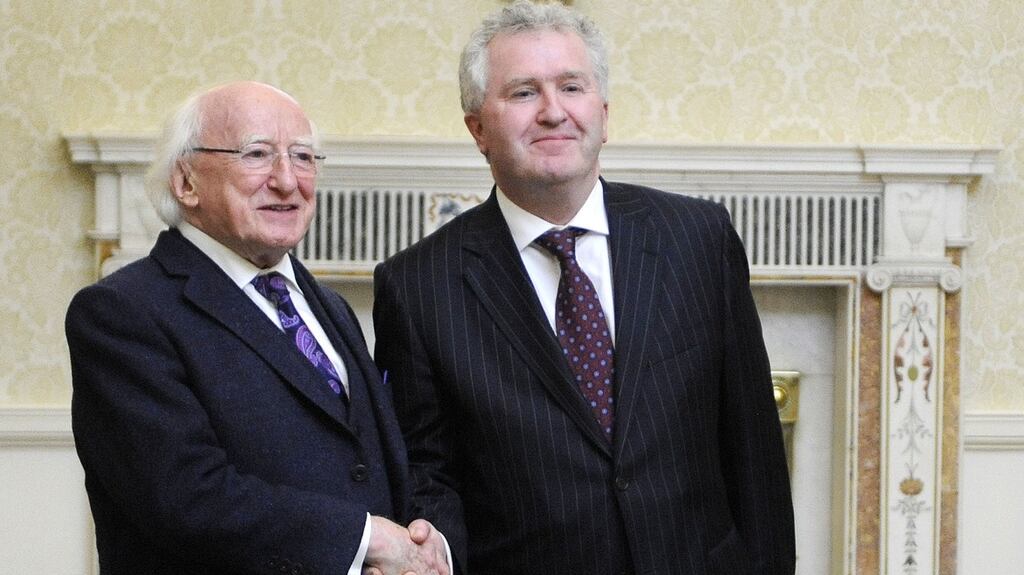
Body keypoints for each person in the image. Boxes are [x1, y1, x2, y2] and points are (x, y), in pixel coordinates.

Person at [372, 2, 796, 574]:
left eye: (571, 87)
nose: (553, 112)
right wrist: (434, 552)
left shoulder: (698, 239)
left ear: (602, 111)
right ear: (477, 128)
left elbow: (755, 451)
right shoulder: (417, 285)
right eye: (523, 93)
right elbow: (429, 472)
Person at [66, 81, 449, 575]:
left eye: (304, 157)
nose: (288, 181)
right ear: (186, 182)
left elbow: (372, 461)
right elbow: (185, 497)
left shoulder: (328, 307)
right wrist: (366, 540)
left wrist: (420, 540)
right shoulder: (122, 313)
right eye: (257, 154)